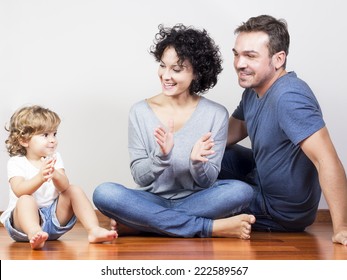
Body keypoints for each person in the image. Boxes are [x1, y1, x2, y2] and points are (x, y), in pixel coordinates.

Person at [93, 24, 256, 239]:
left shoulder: (215, 114)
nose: (166, 75)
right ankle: (209, 228)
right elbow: (140, 178)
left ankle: (143, 223)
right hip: (150, 199)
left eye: (176, 69)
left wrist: (197, 163)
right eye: (162, 66)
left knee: (242, 191)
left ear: (196, 73)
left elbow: (207, 182)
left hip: (199, 200)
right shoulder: (140, 112)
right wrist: (161, 157)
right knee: (104, 193)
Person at [219, 15, 347, 245]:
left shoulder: (289, 97)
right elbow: (231, 131)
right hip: (261, 179)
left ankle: (161, 214)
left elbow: (326, 160)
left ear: (278, 59)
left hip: (280, 211)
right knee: (212, 157)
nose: (239, 63)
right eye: (236, 54)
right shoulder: (253, 89)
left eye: (250, 56)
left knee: (197, 195)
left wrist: (342, 228)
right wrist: (185, 151)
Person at [0, 105, 117, 249]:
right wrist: (40, 177)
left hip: (54, 219)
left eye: (54, 134)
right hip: (24, 224)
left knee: (73, 189)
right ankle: (35, 234)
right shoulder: (16, 162)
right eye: (45, 135)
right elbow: (19, 190)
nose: (52, 140)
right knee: (25, 199)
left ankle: (94, 230)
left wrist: (55, 174)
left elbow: (64, 187)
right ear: (24, 140)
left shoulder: (54, 157)